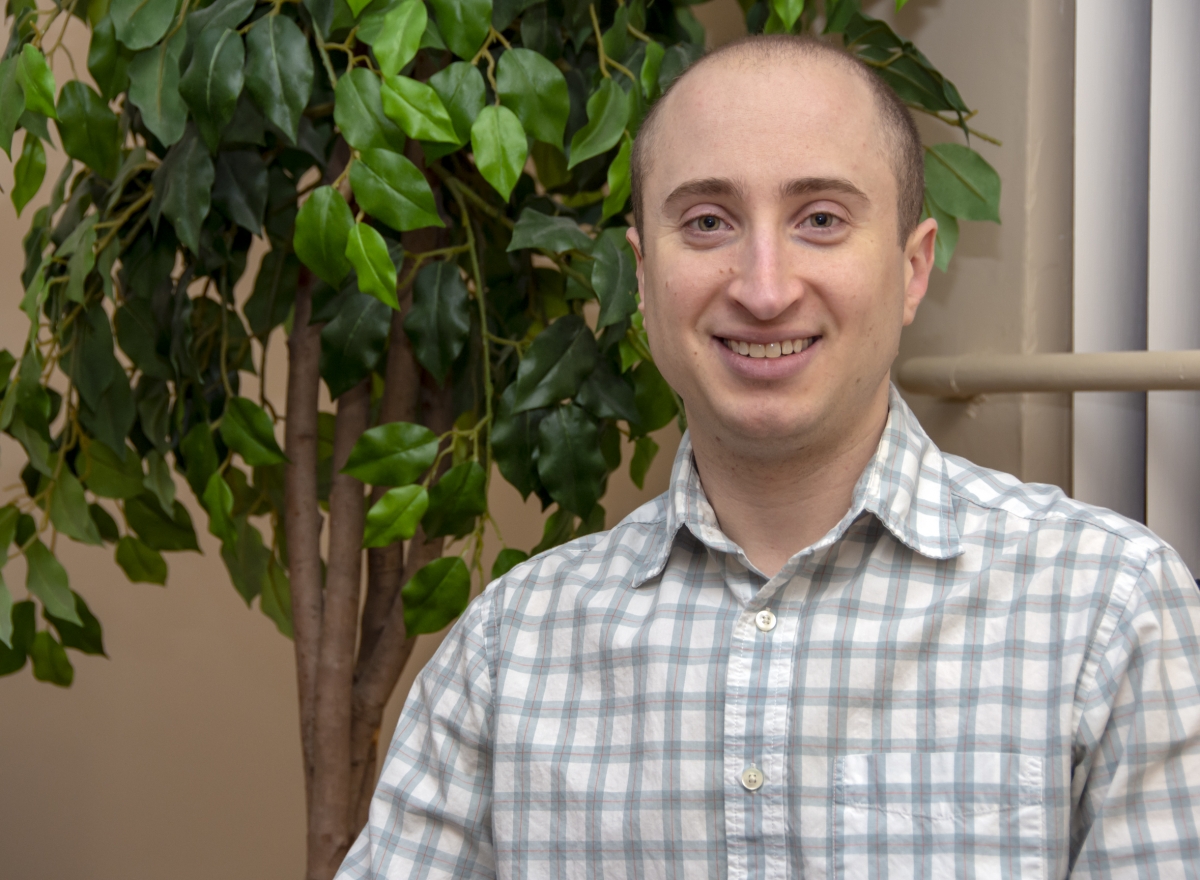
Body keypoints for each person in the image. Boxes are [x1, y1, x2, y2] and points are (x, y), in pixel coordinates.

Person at [337, 34, 1200, 880]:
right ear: (641, 279)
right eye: (708, 222)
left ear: (913, 267)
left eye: (820, 219)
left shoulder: (1110, 612)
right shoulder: (509, 648)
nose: (763, 287)